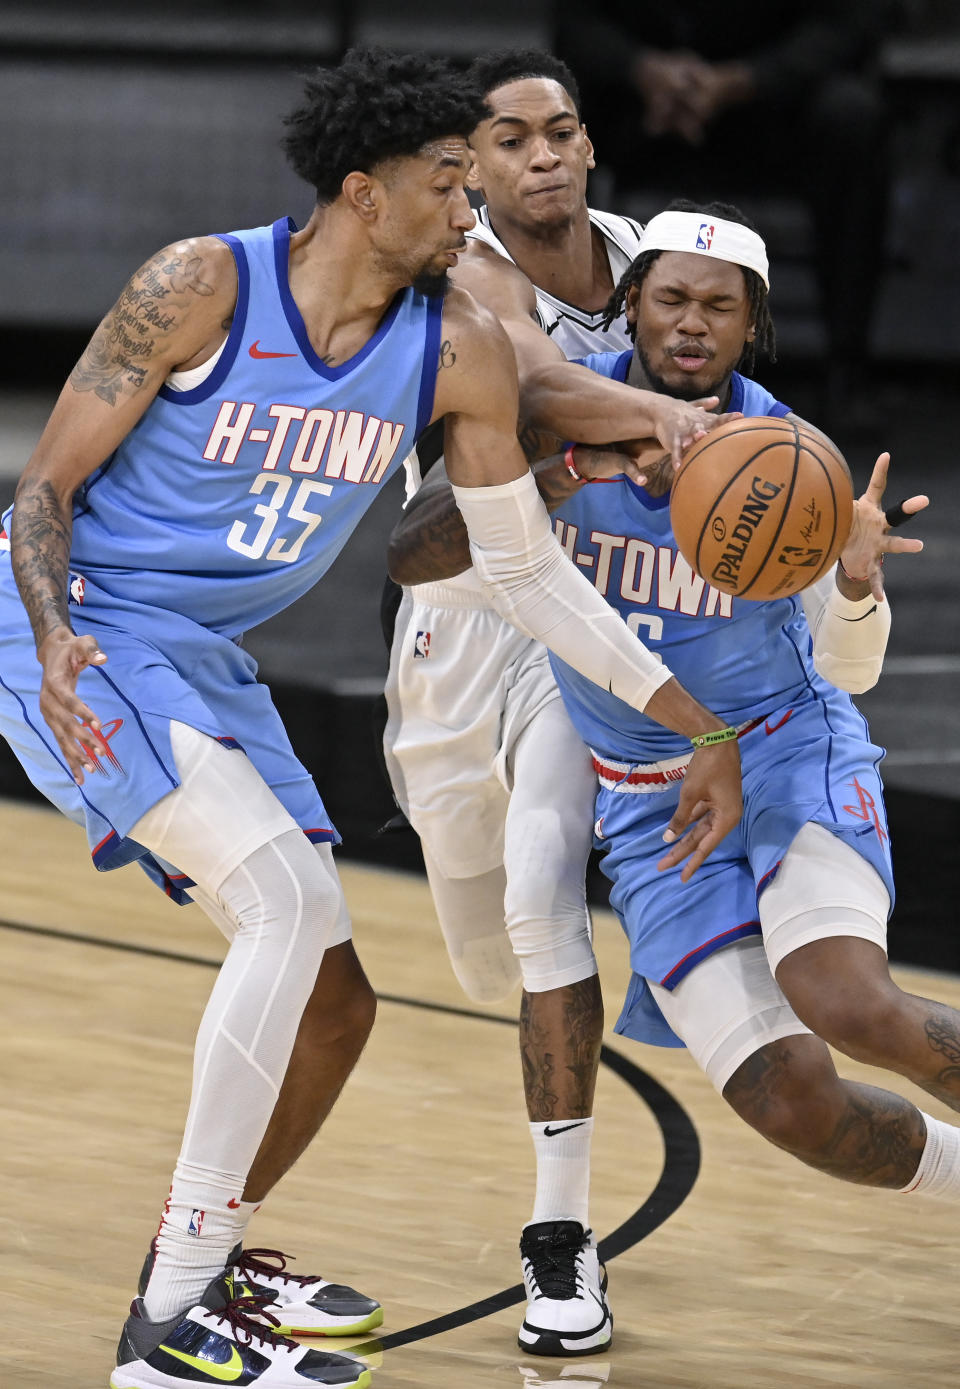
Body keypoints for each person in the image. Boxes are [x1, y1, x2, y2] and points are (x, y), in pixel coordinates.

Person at [0, 49, 745, 1389]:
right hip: (82, 627)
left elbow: (514, 568)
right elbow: (42, 491)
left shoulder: (448, 346)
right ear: (363, 191)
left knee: (339, 1005)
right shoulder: (200, 283)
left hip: (207, 661)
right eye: (451, 183)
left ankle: (214, 1254)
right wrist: (54, 639)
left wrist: (692, 718)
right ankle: (166, 1326)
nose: (472, 210)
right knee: (284, 908)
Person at [386, 198, 960, 1318]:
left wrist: (853, 583)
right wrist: (554, 482)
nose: (692, 325)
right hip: (655, 805)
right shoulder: (552, 413)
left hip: (787, 753)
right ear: (633, 304)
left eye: (719, 308)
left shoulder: (788, 457)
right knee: (792, 1106)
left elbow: (847, 675)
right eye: (671, 300)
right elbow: (417, 554)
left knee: (843, 997)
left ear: (753, 329)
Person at [383, 49, 737, 1359]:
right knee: (483, 934)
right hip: (458, 618)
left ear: (592, 147)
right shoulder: (467, 274)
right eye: (511, 137)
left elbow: (732, 366)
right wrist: (656, 424)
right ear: (467, 169)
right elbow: (531, 388)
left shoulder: (655, 263)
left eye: (563, 130)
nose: (542, 153)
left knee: (543, 900)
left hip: (581, 631)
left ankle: (559, 1235)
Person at [554, 0, 903, 417]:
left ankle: (847, 370)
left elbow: (850, 24)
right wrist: (641, 69)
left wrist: (742, 81)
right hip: (640, 106)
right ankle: (566, 355)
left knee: (852, 117)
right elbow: (574, 21)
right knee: (550, 109)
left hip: (775, 107)